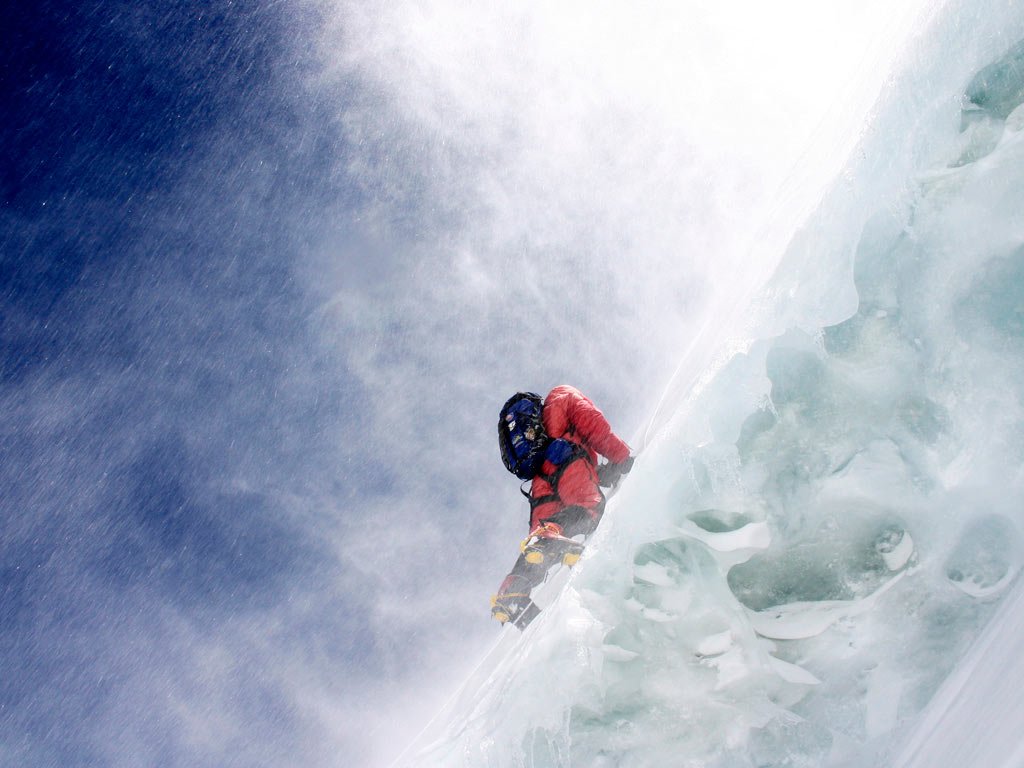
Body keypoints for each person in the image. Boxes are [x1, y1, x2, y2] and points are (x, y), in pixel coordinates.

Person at [491, 384, 634, 626]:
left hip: (540, 486)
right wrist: (622, 458)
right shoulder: (563, 395)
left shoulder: (540, 438)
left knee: (539, 542)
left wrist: (605, 472)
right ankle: (551, 535)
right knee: (589, 510)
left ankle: (513, 590)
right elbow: (595, 427)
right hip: (565, 459)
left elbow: (585, 472)